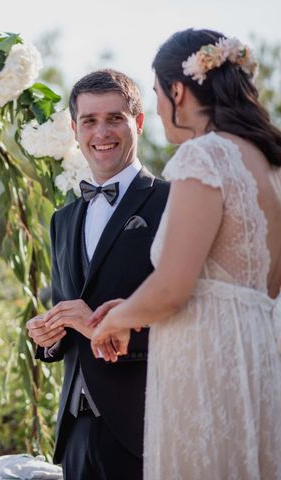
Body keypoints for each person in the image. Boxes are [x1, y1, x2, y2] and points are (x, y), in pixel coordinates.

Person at [90, 29, 281, 479]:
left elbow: (173, 288)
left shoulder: (206, 156)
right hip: (256, 359)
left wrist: (111, 322)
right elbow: (244, 284)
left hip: (207, 368)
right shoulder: (269, 163)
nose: (157, 110)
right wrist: (133, 308)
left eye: (156, 94)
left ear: (177, 90)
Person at [26, 69, 169, 479]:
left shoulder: (172, 202)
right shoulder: (62, 219)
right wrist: (47, 336)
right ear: (74, 129)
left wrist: (101, 327)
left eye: (114, 118)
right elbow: (67, 312)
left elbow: (188, 315)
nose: (101, 132)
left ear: (138, 123)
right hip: (75, 432)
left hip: (144, 427)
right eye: (89, 120)